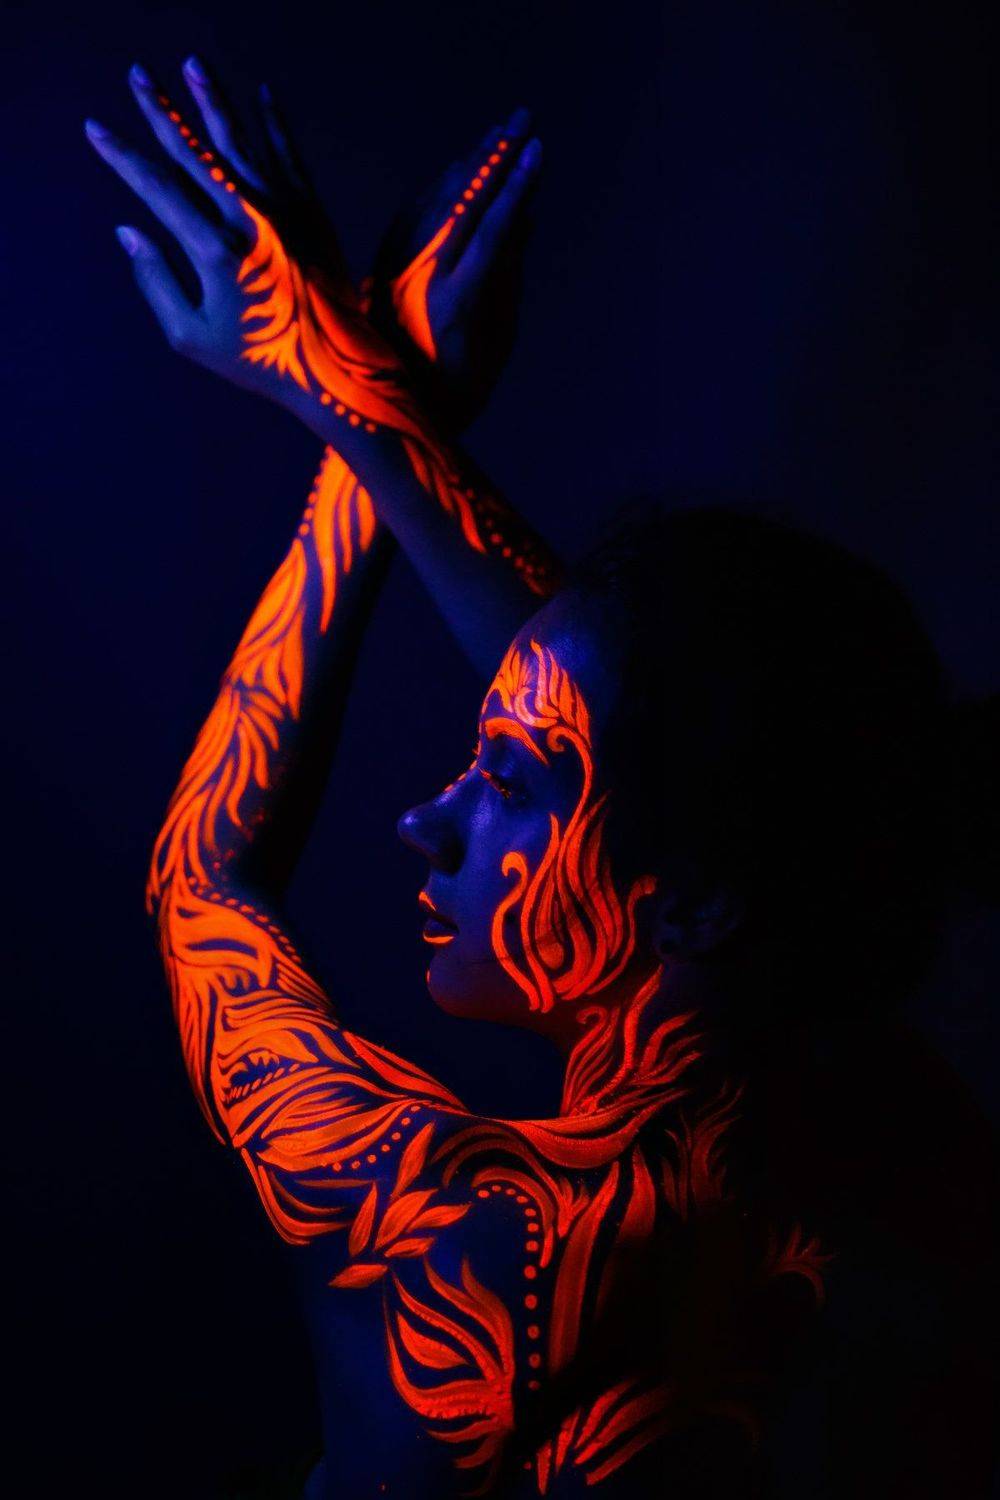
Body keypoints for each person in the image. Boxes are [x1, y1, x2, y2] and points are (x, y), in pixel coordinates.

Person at [86, 57, 997, 1498]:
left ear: (698, 895)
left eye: (505, 782)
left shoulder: (449, 1246)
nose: (425, 818)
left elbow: (200, 877)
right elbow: (672, 733)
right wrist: (362, 401)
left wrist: (340, 387)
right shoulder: (917, 1150)